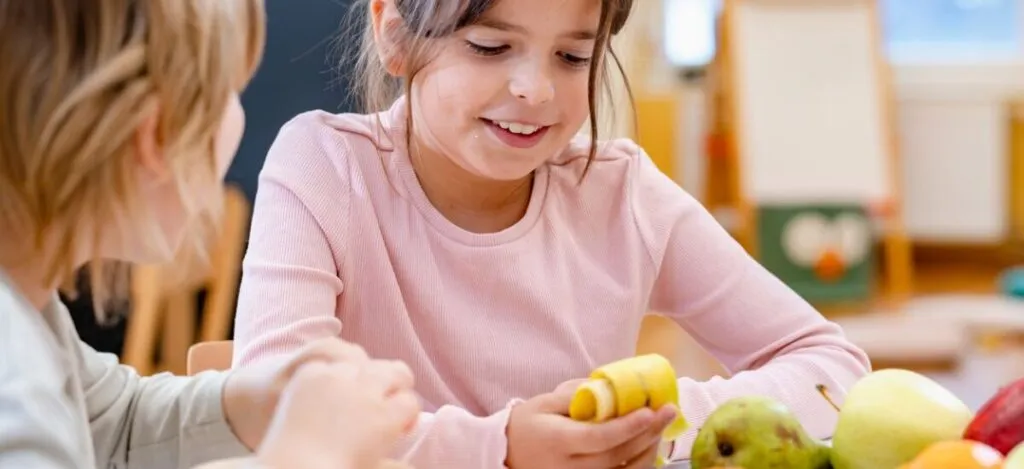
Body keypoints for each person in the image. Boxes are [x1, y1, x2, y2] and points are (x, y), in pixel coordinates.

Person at [231, 0, 873, 467]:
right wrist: (500, 446)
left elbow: (833, 369)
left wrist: (655, 425)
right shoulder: (323, 166)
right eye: (489, 47)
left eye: (573, 56)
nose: (535, 89)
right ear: (395, 35)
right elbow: (271, 414)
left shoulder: (622, 193)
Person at [0, 2, 418, 469]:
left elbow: (113, 426)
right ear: (153, 136)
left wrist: (247, 403)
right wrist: (302, 457)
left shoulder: (28, 310)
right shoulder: (12, 373)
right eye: (229, 95)